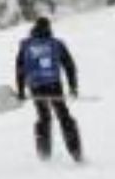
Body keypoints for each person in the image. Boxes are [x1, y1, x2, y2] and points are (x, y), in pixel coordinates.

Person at [14, 16, 82, 162]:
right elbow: (69, 66)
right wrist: (73, 86)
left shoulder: (26, 45)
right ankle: (75, 151)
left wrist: (20, 90)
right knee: (63, 116)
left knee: (43, 117)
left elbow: (20, 68)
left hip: (36, 85)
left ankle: (44, 154)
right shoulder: (56, 44)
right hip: (54, 84)